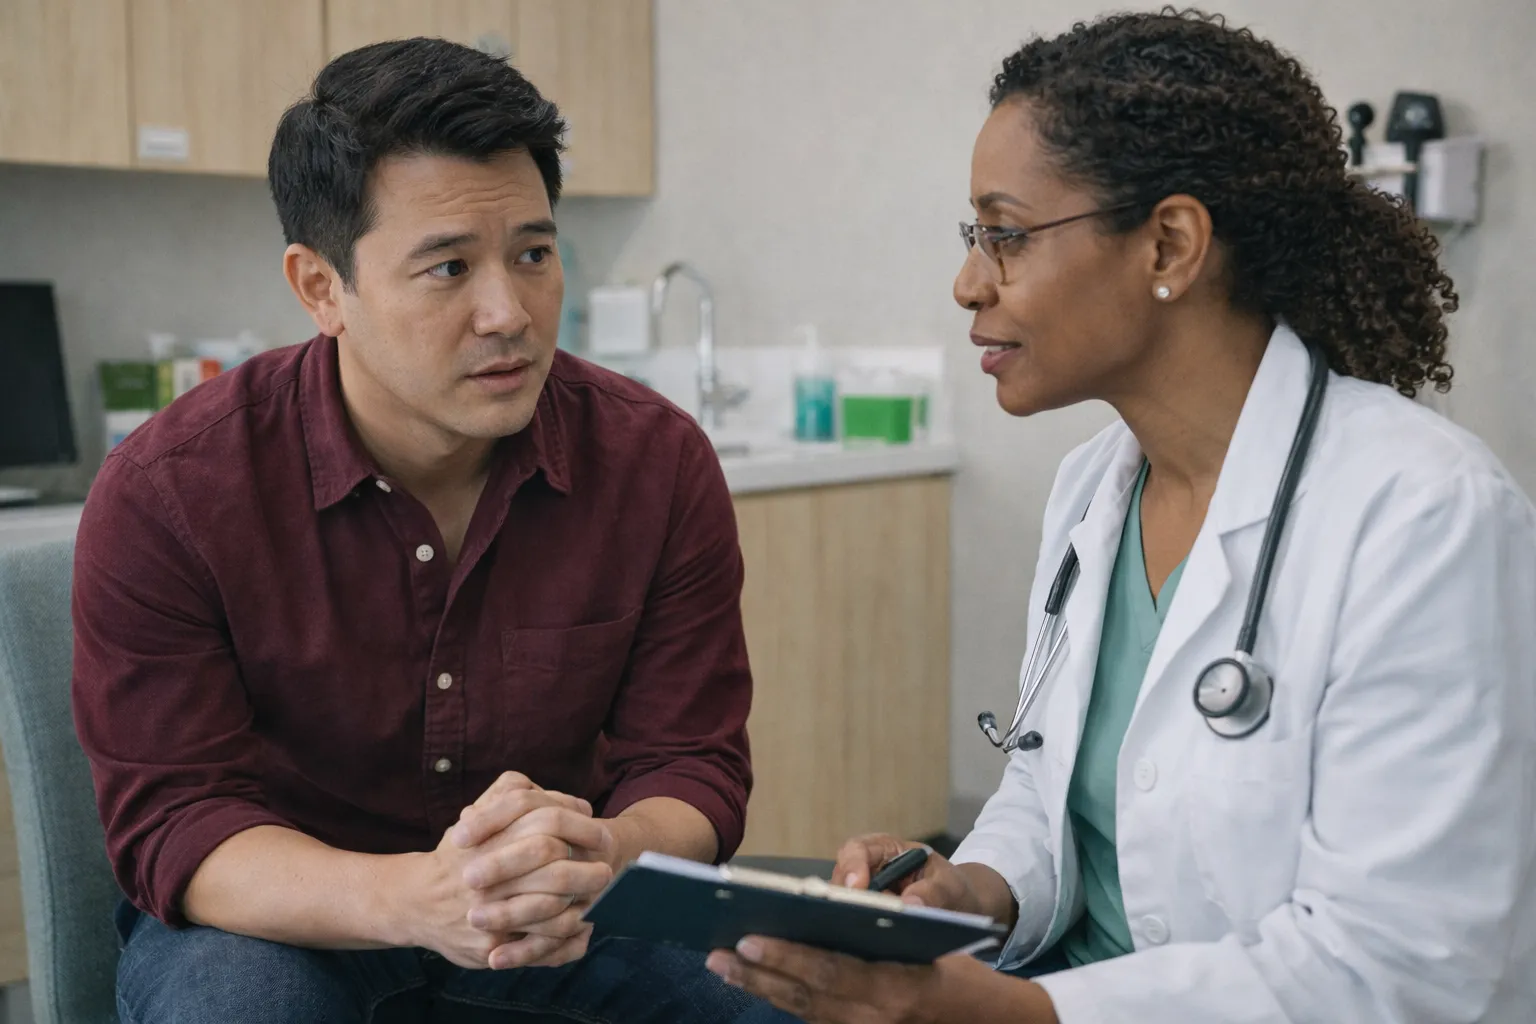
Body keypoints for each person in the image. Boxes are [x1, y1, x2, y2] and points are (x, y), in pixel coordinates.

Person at [706, 10, 1536, 1023]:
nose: (970, 283)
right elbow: (1046, 797)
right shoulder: (1094, 489)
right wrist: (972, 889)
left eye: (1005, 235)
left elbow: (1397, 966)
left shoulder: (1424, 513)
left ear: (1171, 243)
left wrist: (998, 1015)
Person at [72, 38, 787, 1023]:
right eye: (449, 267)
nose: (511, 312)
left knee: (802, 1002)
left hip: (571, 908)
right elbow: (178, 821)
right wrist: (421, 898)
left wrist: (601, 852)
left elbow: (693, 763)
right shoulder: (173, 489)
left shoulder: (654, 462)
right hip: (290, 919)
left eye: (534, 255)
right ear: (321, 287)